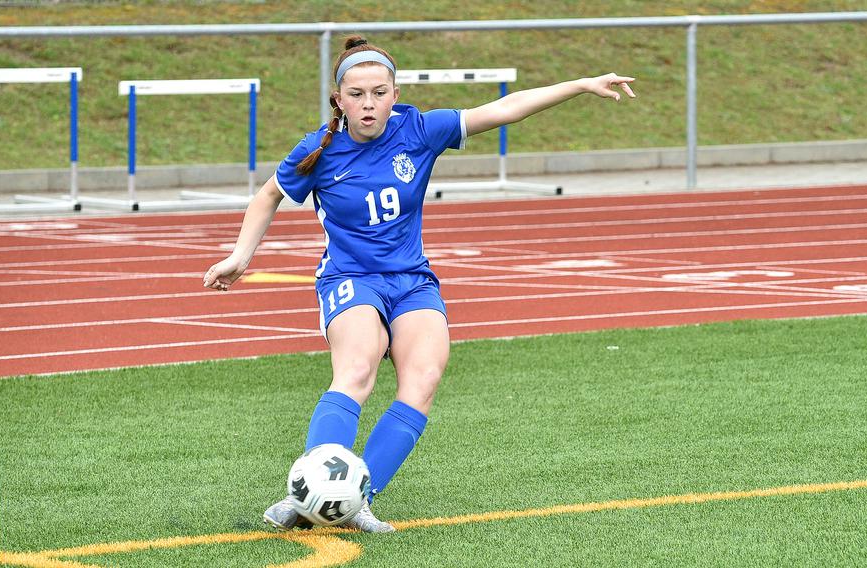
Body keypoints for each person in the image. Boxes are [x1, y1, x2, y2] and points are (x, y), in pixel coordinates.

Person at [203, 35, 636, 533]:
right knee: (358, 368)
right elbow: (269, 195)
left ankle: (357, 500)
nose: (369, 104)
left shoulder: (419, 129)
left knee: (424, 378)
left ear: (394, 92)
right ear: (339, 99)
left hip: (412, 281)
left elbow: (505, 109)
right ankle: (304, 494)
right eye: (358, 94)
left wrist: (581, 84)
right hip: (350, 279)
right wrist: (241, 256)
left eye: (380, 92)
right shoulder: (318, 150)